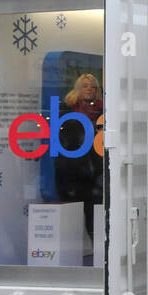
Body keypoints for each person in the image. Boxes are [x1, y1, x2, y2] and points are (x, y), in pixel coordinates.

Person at [57, 73, 104, 241]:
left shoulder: (103, 109)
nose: (89, 89)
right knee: (74, 210)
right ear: (78, 89)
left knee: (94, 210)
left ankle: (96, 249)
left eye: (93, 86)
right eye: (85, 86)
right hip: (73, 167)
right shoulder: (67, 109)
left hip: (96, 168)